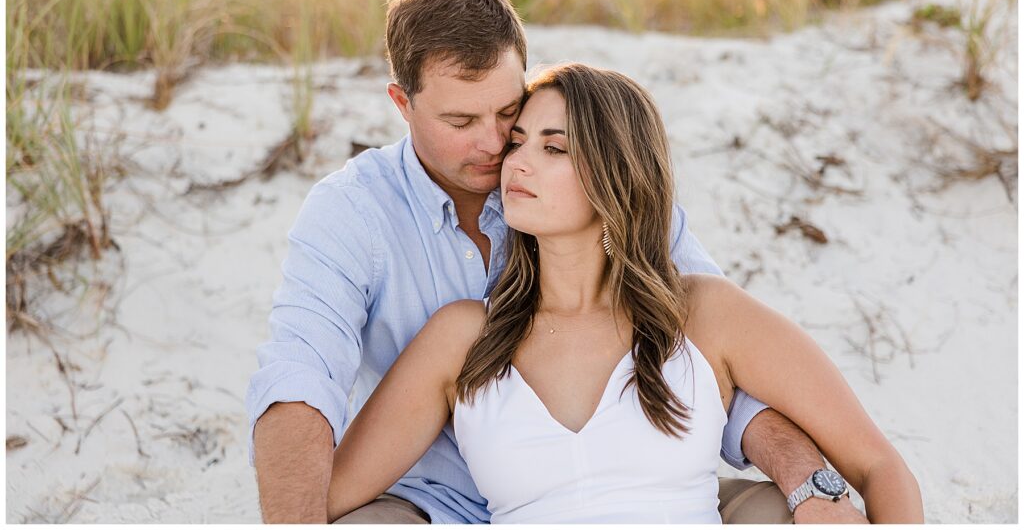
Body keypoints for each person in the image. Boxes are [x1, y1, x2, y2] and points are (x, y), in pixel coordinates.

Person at [247, 0, 866, 524]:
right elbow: (301, 382)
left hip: (628, 482)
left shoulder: (592, 185)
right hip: (435, 499)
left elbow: (717, 359)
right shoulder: (353, 212)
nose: (496, 147)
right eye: (461, 122)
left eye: (509, 115)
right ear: (401, 104)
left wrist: (806, 479)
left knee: (774, 508)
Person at [325, 63, 924, 524]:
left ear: (617, 173)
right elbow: (325, 499)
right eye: (518, 142)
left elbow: (879, 467)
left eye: (553, 148)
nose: (518, 163)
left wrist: (814, 492)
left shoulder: (705, 315)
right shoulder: (462, 338)